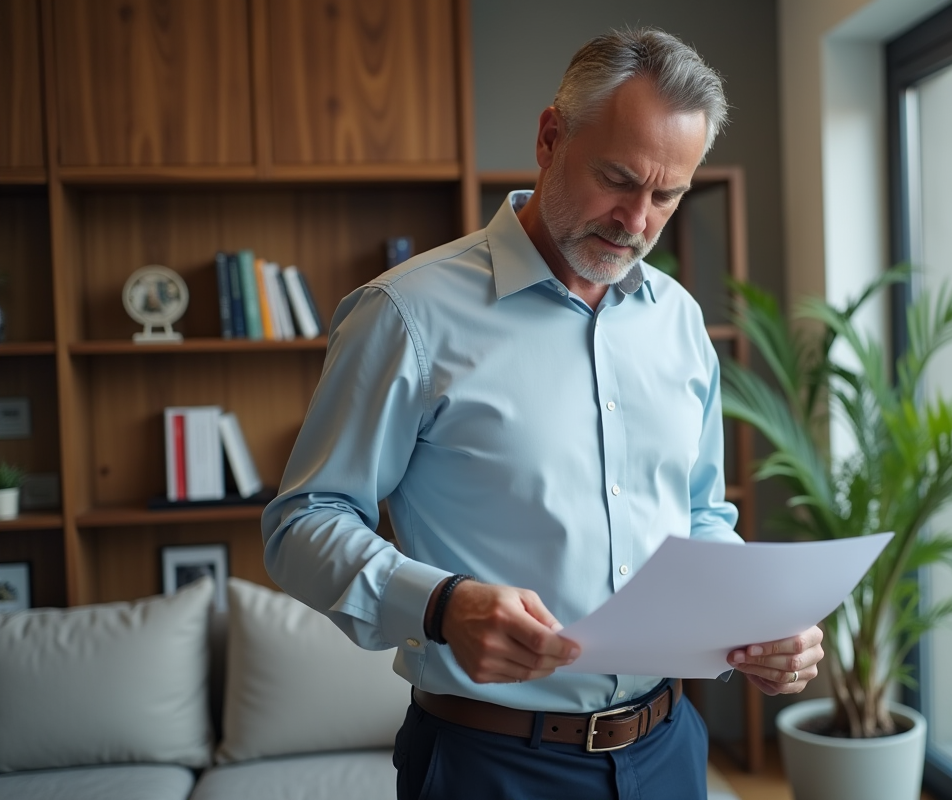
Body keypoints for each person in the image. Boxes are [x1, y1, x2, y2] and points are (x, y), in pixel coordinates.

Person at [262, 27, 824, 800]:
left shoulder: (679, 320)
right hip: (490, 764)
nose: (638, 221)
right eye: (619, 180)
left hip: (669, 749)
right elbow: (302, 523)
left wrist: (759, 620)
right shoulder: (405, 316)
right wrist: (439, 604)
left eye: (667, 195)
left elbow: (697, 515)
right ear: (550, 137)